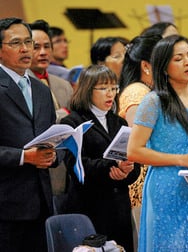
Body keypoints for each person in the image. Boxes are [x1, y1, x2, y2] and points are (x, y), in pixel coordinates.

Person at [127, 34, 188, 251]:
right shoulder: (153, 101)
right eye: (178, 58)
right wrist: (182, 159)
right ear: (164, 67)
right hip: (164, 187)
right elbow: (134, 151)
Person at [60, 64, 141, 252]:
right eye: (103, 88)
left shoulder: (119, 122)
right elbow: (75, 164)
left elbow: (133, 163)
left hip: (118, 207)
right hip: (88, 206)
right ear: (88, 89)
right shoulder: (72, 122)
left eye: (114, 88)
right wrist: (110, 167)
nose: (110, 94)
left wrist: (127, 171)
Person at [0, 17, 62, 252]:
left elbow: (53, 139)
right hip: (6, 205)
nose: (26, 49)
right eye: (16, 43)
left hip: (42, 202)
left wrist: (53, 156)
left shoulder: (41, 89)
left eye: (29, 42)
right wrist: (25, 157)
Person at [28, 19, 74, 212]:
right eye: (36, 47)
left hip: (66, 168)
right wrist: (62, 116)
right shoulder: (22, 85)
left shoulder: (63, 84)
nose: (43, 52)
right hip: (37, 169)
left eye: (47, 46)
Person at [118, 34, 162, 209]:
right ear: (146, 66)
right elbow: (140, 143)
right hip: (144, 181)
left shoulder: (149, 91)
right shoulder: (137, 93)